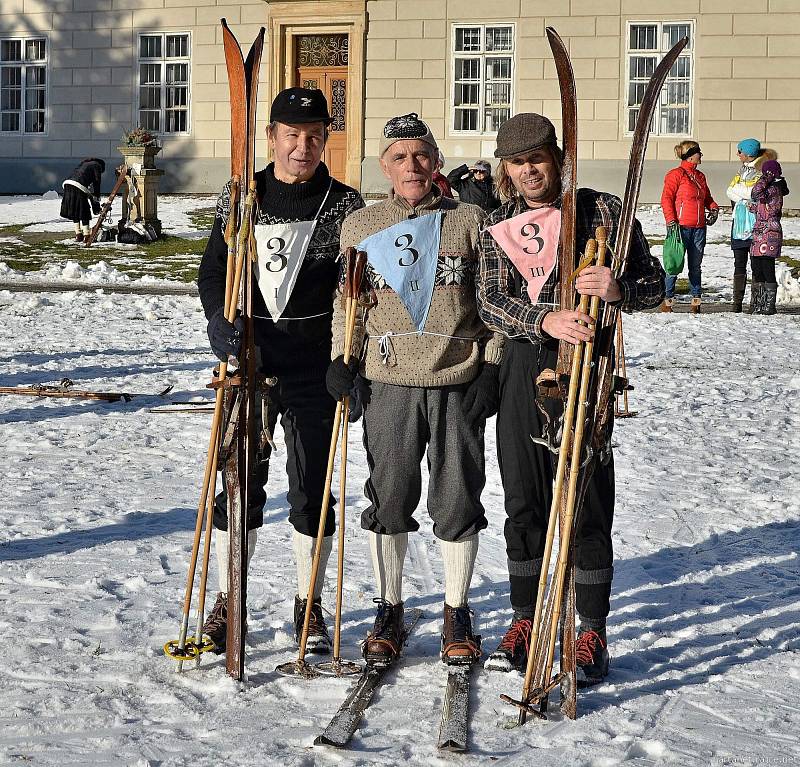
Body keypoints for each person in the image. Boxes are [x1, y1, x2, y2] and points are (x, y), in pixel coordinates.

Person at [475, 113, 664, 684]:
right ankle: (526, 619)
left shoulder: (604, 211)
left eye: (538, 157)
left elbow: (656, 285)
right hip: (522, 365)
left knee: (585, 500)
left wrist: (619, 288)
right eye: (517, 162)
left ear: (556, 157)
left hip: (590, 370)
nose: (530, 170)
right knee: (525, 500)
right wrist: (543, 318)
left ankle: (590, 631)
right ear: (506, 170)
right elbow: (489, 302)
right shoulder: (498, 222)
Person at [328, 112, 503, 666]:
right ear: (384, 166)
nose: (412, 166)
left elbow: (497, 297)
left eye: (422, 155)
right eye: (400, 157)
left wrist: (492, 364)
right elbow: (347, 303)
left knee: (456, 501)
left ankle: (457, 609)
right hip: (386, 382)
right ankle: (390, 607)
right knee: (391, 497)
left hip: (457, 378)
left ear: (437, 162)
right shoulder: (361, 225)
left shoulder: (470, 220)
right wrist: (343, 359)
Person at [197, 87, 364, 654]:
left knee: (312, 491)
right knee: (239, 484)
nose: (303, 147)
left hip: (315, 364)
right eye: (292, 136)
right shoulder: (242, 197)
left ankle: (307, 600)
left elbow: (356, 290)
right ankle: (230, 597)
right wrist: (225, 333)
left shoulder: (345, 204)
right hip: (253, 359)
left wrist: (349, 358)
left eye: (315, 136)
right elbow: (214, 271)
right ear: (272, 138)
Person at [659, 140, 719, 314]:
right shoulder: (676, 174)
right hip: (679, 227)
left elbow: (707, 198)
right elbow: (666, 199)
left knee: (695, 266)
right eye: (699, 152)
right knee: (673, 264)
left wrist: (714, 208)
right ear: (691, 155)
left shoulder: (700, 176)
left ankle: (696, 301)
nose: (701, 155)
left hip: (699, 228)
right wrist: (671, 220)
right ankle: (668, 301)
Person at [726, 138, 769, 312]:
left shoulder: (761, 171)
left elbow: (755, 194)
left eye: (740, 151)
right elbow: (729, 190)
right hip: (739, 224)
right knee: (739, 263)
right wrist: (744, 196)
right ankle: (737, 303)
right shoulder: (741, 170)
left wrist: (742, 193)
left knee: (756, 264)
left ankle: (756, 302)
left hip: (755, 224)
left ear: (749, 153)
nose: (738, 154)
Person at [749, 159, 788, 315]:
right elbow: (759, 202)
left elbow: (756, 192)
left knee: (767, 269)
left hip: (769, 233)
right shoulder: (768, 188)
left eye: (765, 173)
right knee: (756, 267)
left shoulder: (775, 189)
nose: (762, 176)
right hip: (758, 233)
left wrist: (767, 177)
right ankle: (758, 302)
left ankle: (769, 306)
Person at [60, 157, 105, 242]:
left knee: (74, 210)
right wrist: (97, 197)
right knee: (83, 210)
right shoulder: (97, 166)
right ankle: (87, 235)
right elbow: (96, 182)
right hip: (78, 186)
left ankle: (78, 234)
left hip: (67, 184)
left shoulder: (84, 164)